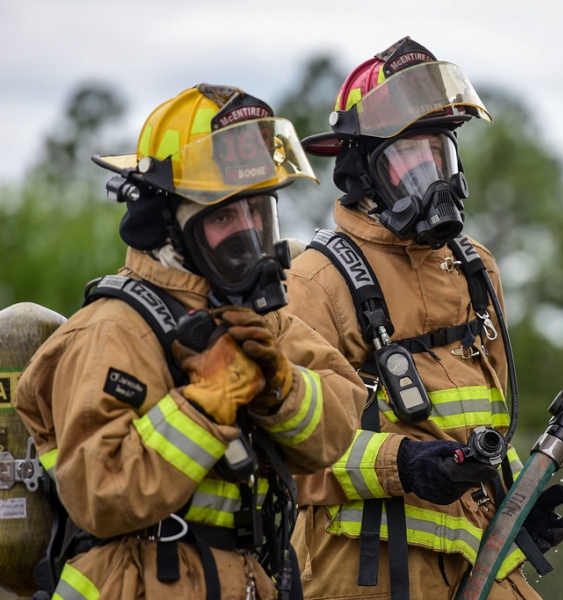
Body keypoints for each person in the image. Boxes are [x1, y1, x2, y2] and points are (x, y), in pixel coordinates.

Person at [14, 84, 368, 600]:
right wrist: (205, 406)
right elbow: (101, 495)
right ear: (167, 223)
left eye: (257, 213)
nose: (247, 234)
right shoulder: (111, 331)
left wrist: (281, 387)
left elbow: (338, 426)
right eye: (224, 216)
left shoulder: (260, 322)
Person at [285, 38, 563, 600]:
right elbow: (293, 451)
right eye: (410, 161)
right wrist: (404, 465)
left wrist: (516, 496)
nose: (433, 181)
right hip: (366, 573)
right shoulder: (317, 282)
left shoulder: (474, 269)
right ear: (362, 171)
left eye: (438, 156)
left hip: (476, 561)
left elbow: (479, 419)